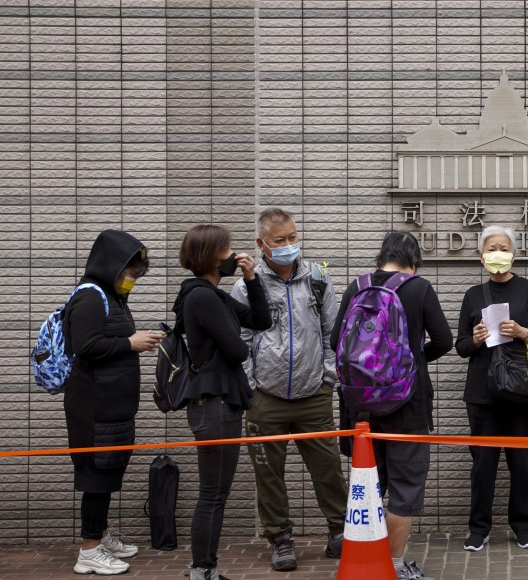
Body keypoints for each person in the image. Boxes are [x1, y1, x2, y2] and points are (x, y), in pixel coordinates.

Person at [231, 208, 348, 571]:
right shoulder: (245, 285)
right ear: (261, 244)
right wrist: (251, 388)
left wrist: (329, 378)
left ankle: (339, 530)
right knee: (268, 473)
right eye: (279, 241)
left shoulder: (318, 277)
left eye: (293, 237)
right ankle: (280, 538)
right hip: (266, 397)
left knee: (328, 467)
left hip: (315, 393)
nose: (288, 246)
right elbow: (242, 341)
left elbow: (334, 332)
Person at [331, 231, 452, 580]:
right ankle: (394, 565)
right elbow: (443, 339)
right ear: (413, 259)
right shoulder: (419, 288)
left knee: (369, 482)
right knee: (406, 484)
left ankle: (364, 557)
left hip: (361, 405)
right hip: (406, 403)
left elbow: (334, 338)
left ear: (382, 255)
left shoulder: (358, 286)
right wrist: (414, 362)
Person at [175, 224, 271, 580]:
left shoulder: (211, 294)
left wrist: (251, 278)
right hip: (212, 403)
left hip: (220, 402)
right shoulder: (201, 296)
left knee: (216, 492)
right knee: (213, 493)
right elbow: (237, 347)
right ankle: (202, 570)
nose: (234, 255)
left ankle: (205, 569)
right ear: (214, 256)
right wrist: (238, 341)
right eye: (229, 251)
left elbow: (261, 320)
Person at [64, 230, 162, 576]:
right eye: (128, 272)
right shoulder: (91, 297)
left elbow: (111, 340)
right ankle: (89, 550)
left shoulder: (111, 297)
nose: (131, 279)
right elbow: (85, 346)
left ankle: (101, 535)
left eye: (135, 274)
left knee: (107, 471)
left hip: (112, 406)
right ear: (110, 265)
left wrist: (137, 341)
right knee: (95, 475)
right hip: (94, 407)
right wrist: (130, 343)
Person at [455, 225, 528, 552]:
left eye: (504, 247)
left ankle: (522, 525)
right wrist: (475, 339)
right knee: (483, 463)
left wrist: (526, 333)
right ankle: (479, 528)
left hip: (521, 393)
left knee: (523, 461)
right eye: (492, 248)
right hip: (482, 395)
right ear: (481, 255)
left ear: (514, 253)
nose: (498, 253)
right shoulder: (473, 295)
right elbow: (460, 346)